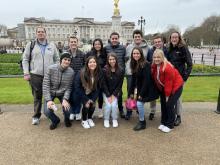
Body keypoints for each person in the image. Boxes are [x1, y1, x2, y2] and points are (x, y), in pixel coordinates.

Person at [22, 26, 59, 125]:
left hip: (49, 75)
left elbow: (57, 59)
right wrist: (26, 72)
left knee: (49, 96)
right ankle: (36, 116)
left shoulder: (52, 45)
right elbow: (25, 59)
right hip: (35, 75)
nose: (40, 33)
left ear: (45, 33)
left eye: (42, 32)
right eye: (38, 32)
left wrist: (55, 70)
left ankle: (50, 114)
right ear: (36, 33)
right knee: (37, 97)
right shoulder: (31, 45)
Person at [151, 49, 184, 133]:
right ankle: (163, 122)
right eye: (154, 57)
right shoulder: (154, 66)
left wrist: (167, 96)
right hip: (164, 87)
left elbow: (169, 83)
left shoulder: (167, 67)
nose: (156, 59)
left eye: (158, 57)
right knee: (163, 104)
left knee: (169, 104)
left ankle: (170, 124)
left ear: (162, 57)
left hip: (176, 87)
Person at [128, 47, 159, 131]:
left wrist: (141, 94)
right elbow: (133, 80)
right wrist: (130, 92)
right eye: (134, 53)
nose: (136, 55)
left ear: (141, 54)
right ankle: (141, 119)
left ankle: (142, 123)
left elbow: (147, 80)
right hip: (141, 87)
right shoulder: (134, 63)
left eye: (137, 53)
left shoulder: (146, 64)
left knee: (139, 104)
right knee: (135, 103)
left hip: (148, 88)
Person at [167, 31, 193, 126]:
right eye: (172, 37)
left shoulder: (183, 48)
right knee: (171, 97)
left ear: (179, 38)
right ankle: (171, 115)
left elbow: (190, 64)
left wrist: (184, 78)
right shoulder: (169, 48)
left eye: (176, 37)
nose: (174, 39)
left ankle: (178, 116)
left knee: (178, 98)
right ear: (170, 39)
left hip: (180, 78)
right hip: (170, 78)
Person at [43, 53, 74, 130]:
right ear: (61, 60)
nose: (67, 61)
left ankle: (67, 119)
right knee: (47, 111)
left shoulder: (71, 72)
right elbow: (46, 85)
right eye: (65, 59)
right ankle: (55, 120)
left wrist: (65, 99)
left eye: (69, 60)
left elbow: (69, 87)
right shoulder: (51, 69)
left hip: (62, 93)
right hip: (50, 93)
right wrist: (49, 100)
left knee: (68, 110)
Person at [125, 29, 150, 120]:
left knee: (140, 91)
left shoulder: (147, 47)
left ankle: (139, 109)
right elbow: (126, 58)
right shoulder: (128, 47)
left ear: (142, 37)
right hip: (131, 72)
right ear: (133, 38)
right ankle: (129, 110)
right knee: (130, 91)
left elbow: (149, 60)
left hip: (142, 73)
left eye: (139, 36)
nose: (137, 38)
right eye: (135, 37)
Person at [75, 56, 102, 129]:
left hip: (93, 92)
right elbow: (77, 87)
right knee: (86, 106)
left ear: (96, 63)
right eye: (90, 62)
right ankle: (84, 120)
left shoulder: (99, 73)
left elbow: (98, 87)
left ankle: (89, 118)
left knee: (92, 105)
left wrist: (93, 99)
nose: (92, 64)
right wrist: (86, 99)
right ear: (87, 64)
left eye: (94, 62)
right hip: (83, 92)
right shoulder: (81, 73)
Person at [146, 35, 168, 120]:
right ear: (153, 43)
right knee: (153, 96)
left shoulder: (166, 50)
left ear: (162, 42)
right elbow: (148, 62)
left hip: (164, 76)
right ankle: (152, 111)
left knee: (164, 96)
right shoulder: (150, 51)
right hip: (154, 76)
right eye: (155, 42)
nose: (157, 43)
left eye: (159, 42)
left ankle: (164, 112)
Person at [105, 32, 126, 118]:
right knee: (109, 91)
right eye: (113, 38)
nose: (114, 40)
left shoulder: (122, 48)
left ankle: (120, 109)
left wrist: (122, 69)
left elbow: (124, 59)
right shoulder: (106, 48)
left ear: (118, 39)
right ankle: (110, 109)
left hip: (119, 72)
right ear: (110, 39)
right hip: (109, 72)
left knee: (119, 92)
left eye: (116, 38)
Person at [86, 38, 107, 118]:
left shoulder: (104, 53)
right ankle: (90, 109)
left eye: (99, 44)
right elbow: (86, 64)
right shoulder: (90, 53)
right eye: (95, 44)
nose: (97, 45)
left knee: (100, 94)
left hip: (101, 77)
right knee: (92, 93)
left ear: (101, 45)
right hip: (92, 76)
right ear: (93, 45)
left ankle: (100, 109)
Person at [102, 53, 123, 128]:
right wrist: (108, 95)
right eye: (110, 59)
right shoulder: (104, 70)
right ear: (108, 60)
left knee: (114, 105)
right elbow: (103, 84)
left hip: (115, 93)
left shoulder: (120, 70)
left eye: (113, 59)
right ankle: (106, 119)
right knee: (108, 105)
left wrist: (114, 95)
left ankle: (114, 119)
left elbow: (120, 85)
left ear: (116, 60)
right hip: (106, 92)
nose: (112, 61)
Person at [67, 36, 86, 121]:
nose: (73, 43)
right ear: (69, 43)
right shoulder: (66, 54)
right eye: (71, 42)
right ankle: (72, 111)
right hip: (68, 79)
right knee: (70, 96)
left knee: (77, 96)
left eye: (75, 42)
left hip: (79, 79)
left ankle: (78, 111)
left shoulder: (82, 54)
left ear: (77, 43)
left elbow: (85, 67)